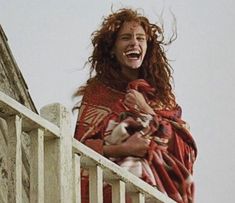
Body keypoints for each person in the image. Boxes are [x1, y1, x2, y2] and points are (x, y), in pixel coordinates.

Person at [74, 8, 197, 203]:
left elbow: (185, 150)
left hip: (158, 192)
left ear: (147, 47)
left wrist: (146, 109)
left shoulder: (162, 98)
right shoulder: (98, 93)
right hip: (111, 191)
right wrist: (124, 149)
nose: (134, 42)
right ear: (112, 49)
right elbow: (79, 147)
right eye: (125, 38)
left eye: (140, 38)